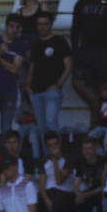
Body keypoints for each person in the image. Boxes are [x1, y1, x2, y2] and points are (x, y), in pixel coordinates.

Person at [24, 10, 72, 159]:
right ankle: (47, 160)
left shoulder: (59, 41)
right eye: (39, 24)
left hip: (52, 91)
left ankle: (57, 158)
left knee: (51, 124)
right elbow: (32, 65)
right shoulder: (35, 43)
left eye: (45, 24)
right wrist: (28, 85)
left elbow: (68, 65)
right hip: (36, 91)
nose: (42, 27)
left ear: (51, 25)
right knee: (41, 127)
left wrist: (58, 84)